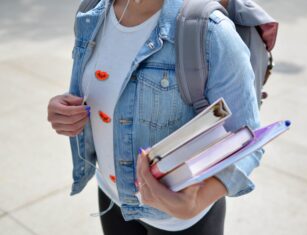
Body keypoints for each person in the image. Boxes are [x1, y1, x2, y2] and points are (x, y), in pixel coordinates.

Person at [47, 0, 262, 234]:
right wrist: (66, 109)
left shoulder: (211, 31)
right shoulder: (92, 11)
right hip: (111, 198)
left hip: (182, 223)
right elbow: (103, 89)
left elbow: (247, 139)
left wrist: (195, 202)